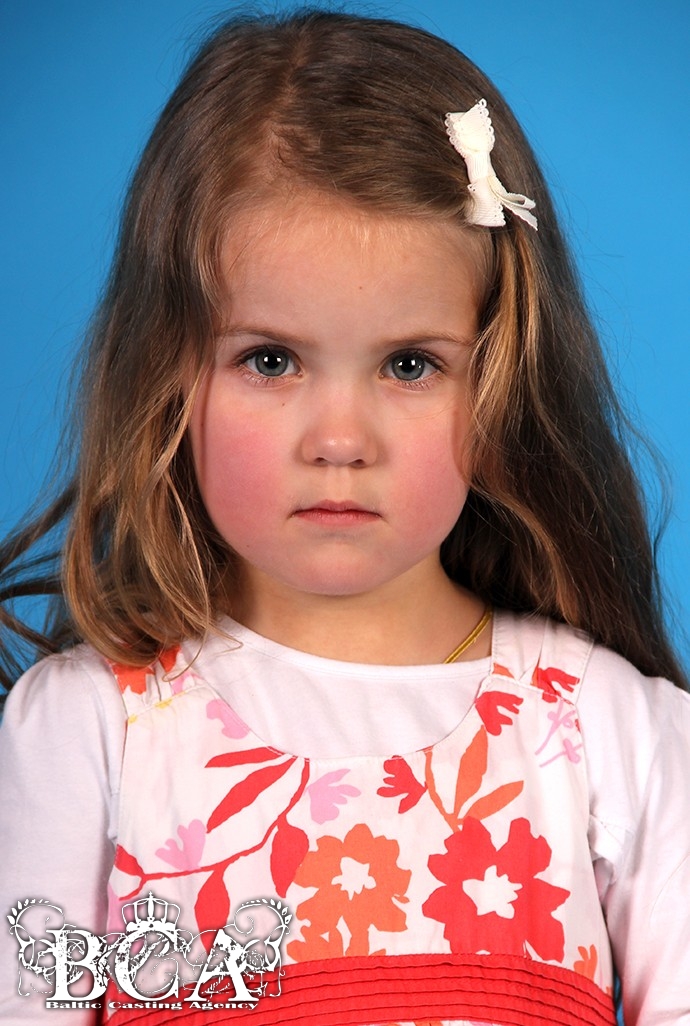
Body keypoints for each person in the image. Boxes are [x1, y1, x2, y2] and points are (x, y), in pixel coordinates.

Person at [0, 9, 688, 1026]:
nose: (338, 439)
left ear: (499, 384)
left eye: (409, 365)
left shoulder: (615, 731)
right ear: (170, 376)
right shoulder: (90, 730)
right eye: (270, 359)